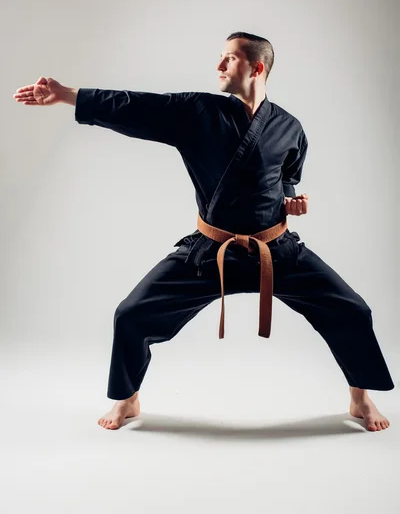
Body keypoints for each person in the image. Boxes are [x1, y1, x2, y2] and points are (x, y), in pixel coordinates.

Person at [13, 31, 394, 433]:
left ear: (256, 67)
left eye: (229, 58)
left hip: (275, 250)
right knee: (131, 315)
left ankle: (359, 397)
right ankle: (128, 399)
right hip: (212, 252)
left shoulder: (289, 127)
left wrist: (291, 201)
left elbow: (286, 178)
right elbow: (135, 106)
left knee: (352, 310)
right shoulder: (197, 112)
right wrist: (70, 94)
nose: (219, 65)